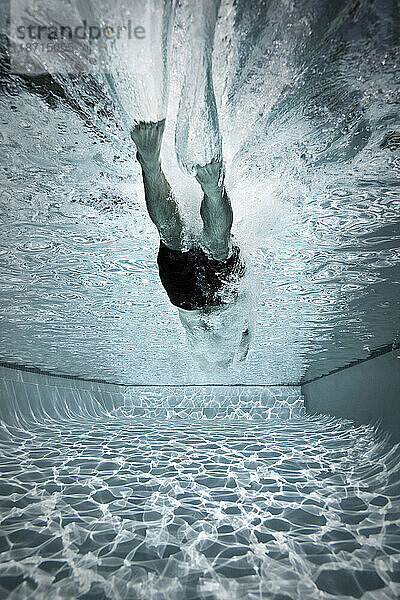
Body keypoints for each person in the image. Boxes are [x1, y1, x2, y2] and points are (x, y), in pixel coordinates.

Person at [131, 119, 251, 369]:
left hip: (220, 298)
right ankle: (150, 163)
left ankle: (212, 188)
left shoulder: (237, 343)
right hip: (186, 301)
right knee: (172, 236)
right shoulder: (200, 351)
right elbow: (208, 337)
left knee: (218, 247)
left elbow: (244, 326)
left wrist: (241, 341)